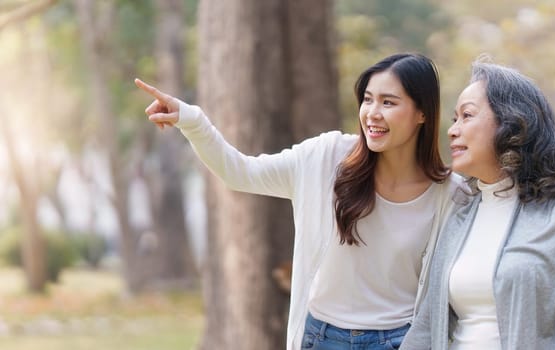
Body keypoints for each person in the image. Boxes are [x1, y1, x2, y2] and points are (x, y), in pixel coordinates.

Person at [135, 53, 463, 350]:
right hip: (323, 338)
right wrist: (190, 119)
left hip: (400, 341)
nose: (372, 114)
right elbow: (239, 172)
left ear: (422, 113)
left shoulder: (450, 194)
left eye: (388, 103)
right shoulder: (325, 158)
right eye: (367, 100)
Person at [399, 60, 555, 350]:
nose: (452, 130)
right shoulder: (459, 214)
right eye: (454, 119)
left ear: (511, 124)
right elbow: (427, 324)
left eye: (467, 116)